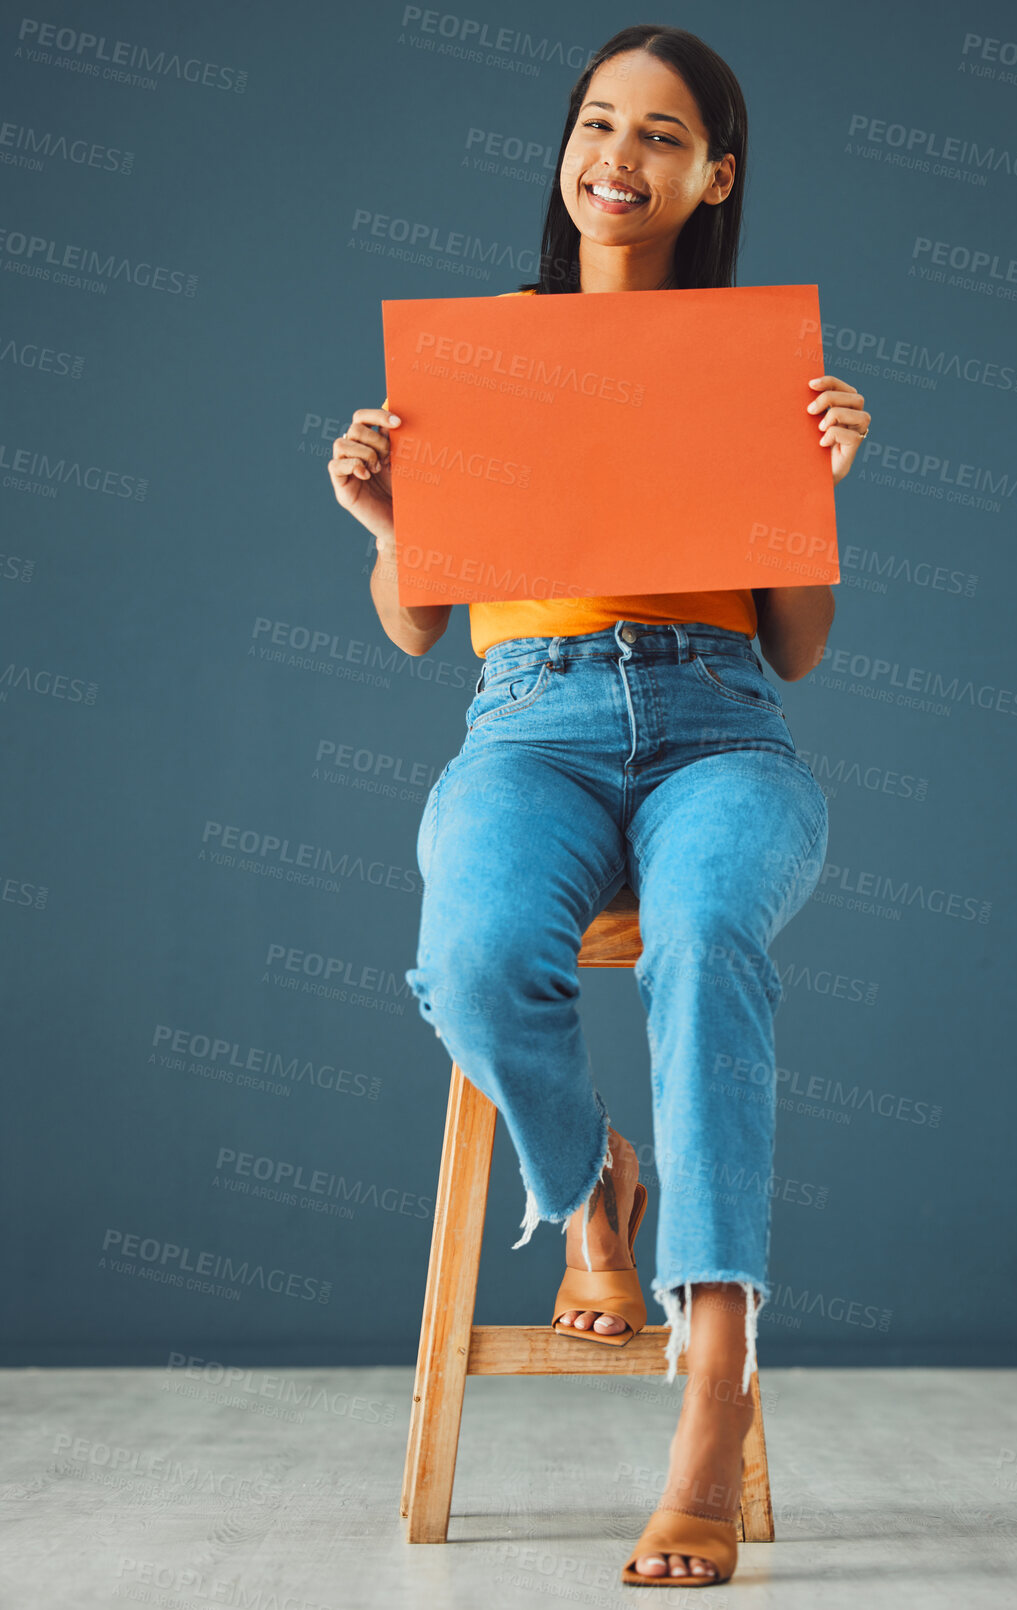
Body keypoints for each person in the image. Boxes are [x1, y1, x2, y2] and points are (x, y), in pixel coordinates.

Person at [329, 23, 870, 1588]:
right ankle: (590, 1184)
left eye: (656, 135)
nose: (613, 160)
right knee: (479, 955)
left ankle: (709, 1394)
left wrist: (817, 488)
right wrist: (383, 517)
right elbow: (417, 621)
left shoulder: (762, 361)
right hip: (530, 726)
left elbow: (795, 646)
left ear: (713, 174)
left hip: (721, 727)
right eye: (594, 124)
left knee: (705, 927)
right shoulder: (484, 344)